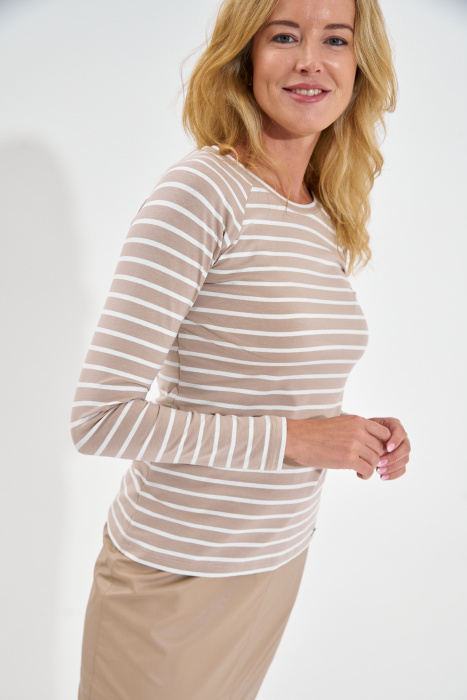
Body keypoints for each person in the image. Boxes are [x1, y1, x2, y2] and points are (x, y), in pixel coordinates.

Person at [71, 0, 411, 697]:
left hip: (273, 562)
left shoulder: (319, 212)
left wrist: (358, 436)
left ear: (359, 64)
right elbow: (99, 419)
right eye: (284, 35)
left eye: (335, 39)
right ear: (244, 57)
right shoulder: (201, 192)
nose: (311, 60)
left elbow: (274, 385)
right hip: (173, 579)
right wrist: (296, 440)